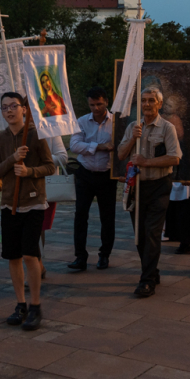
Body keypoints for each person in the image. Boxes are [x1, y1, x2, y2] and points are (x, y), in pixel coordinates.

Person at [0, 92, 55, 329]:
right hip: (10, 204)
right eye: (4, 107)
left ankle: (36, 305)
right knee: (13, 256)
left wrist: (30, 172)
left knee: (30, 254)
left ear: (24, 109)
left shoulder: (36, 135)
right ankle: (21, 304)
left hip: (34, 203)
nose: (9, 110)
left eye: (13, 106)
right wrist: (12, 159)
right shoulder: (0, 139)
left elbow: (50, 166)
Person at [117, 87, 181, 296]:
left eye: (151, 100)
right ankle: (152, 271)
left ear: (159, 104)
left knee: (152, 233)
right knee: (140, 235)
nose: (146, 104)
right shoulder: (133, 127)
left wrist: (146, 162)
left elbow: (174, 158)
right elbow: (121, 155)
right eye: (143, 100)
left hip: (159, 186)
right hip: (137, 187)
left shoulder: (167, 128)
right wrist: (131, 139)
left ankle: (146, 281)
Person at [68, 87, 119, 271]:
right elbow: (74, 145)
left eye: (99, 104)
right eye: (92, 105)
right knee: (80, 215)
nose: (96, 108)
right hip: (85, 173)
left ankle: (104, 255)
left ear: (106, 102)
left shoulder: (116, 122)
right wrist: (99, 147)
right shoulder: (82, 121)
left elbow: (119, 145)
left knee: (108, 217)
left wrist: (89, 146)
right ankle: (80, 256)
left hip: (107, 175)